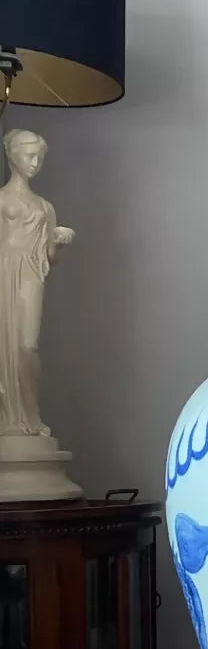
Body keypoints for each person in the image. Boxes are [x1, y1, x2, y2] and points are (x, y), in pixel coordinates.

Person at [0, 129, 74, 436]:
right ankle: (9, 419)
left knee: (26, 345)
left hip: (30, 274)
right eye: (30, 156)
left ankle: (30, 415)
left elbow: (48, 258)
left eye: (39, 158)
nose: (35, 163)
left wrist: (60, 240)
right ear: (12, 156)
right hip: (3, 270)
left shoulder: (45, 207)